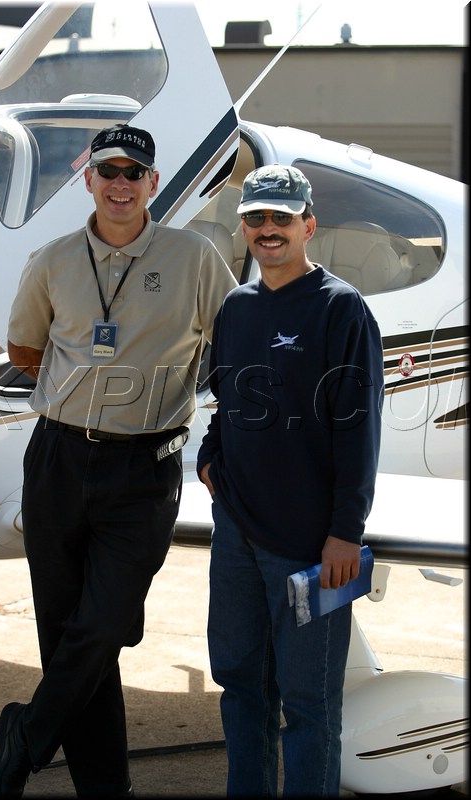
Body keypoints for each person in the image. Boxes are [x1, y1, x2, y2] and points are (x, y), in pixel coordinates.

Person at [0, 124, 238, 799]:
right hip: (59, 460)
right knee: (66, 630)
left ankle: (31, 732)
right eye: (109, 172)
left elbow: (233, 348)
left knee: (102, 626)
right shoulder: (51, 260)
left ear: (153, 183)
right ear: (89, 182)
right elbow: (25, 353)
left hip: (144, 469)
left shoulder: (195, 258)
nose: (121, 183)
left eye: (134, 172)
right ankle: (105, 789)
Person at [197, 164, 384, 797]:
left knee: (310, 704)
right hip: (237, 539)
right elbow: (229, 400)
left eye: (283, 218)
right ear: (244, 226)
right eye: (257, 218)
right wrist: (209, 458)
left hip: (311, 548)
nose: (269, 229)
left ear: (309, 224)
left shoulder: (341, 309)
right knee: (241, 684)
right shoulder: (237, 307)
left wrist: (343, 535)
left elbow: (359, 431)